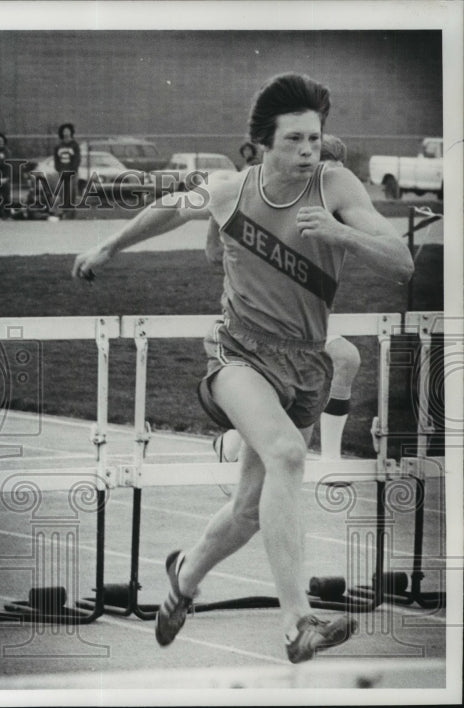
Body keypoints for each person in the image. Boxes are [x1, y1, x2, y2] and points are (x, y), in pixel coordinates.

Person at [72, 73, 414, 663]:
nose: (309, 151)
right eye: (295, 141)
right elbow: (167, 209)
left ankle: (183, 575)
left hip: (305, 364)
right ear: (262, 144)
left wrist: (339, 234)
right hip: (238, 355)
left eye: (316, 138)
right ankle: (297, 624)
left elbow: (402, 261)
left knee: (251, 511)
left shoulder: (335, 186)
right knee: (287, 454)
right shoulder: (231, 190)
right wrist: (108, 247)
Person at [210, 134, 360, 462]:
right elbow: (209, 244)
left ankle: (327, 460)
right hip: (256, 324)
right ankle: (234, 441)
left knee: (343, 360)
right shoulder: (269, 198)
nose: (329, 183)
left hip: (303, 328)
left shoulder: (335, 206)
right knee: (336, 361)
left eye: (337, 174)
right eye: (326, 172)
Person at [53, 123, 81, 219]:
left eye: (68, 130)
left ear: (71, 132)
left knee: (72, 192)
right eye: (64, 130)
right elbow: (56, 159)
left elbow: (77, 158)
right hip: (62, 172)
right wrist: (59, 169)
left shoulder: (74, 145)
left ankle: (71, 213)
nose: (66, 132)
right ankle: (63, 212)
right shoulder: (58, 145)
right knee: (63, 192)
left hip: (72, 172)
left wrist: (73, 170)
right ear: (62, 133)